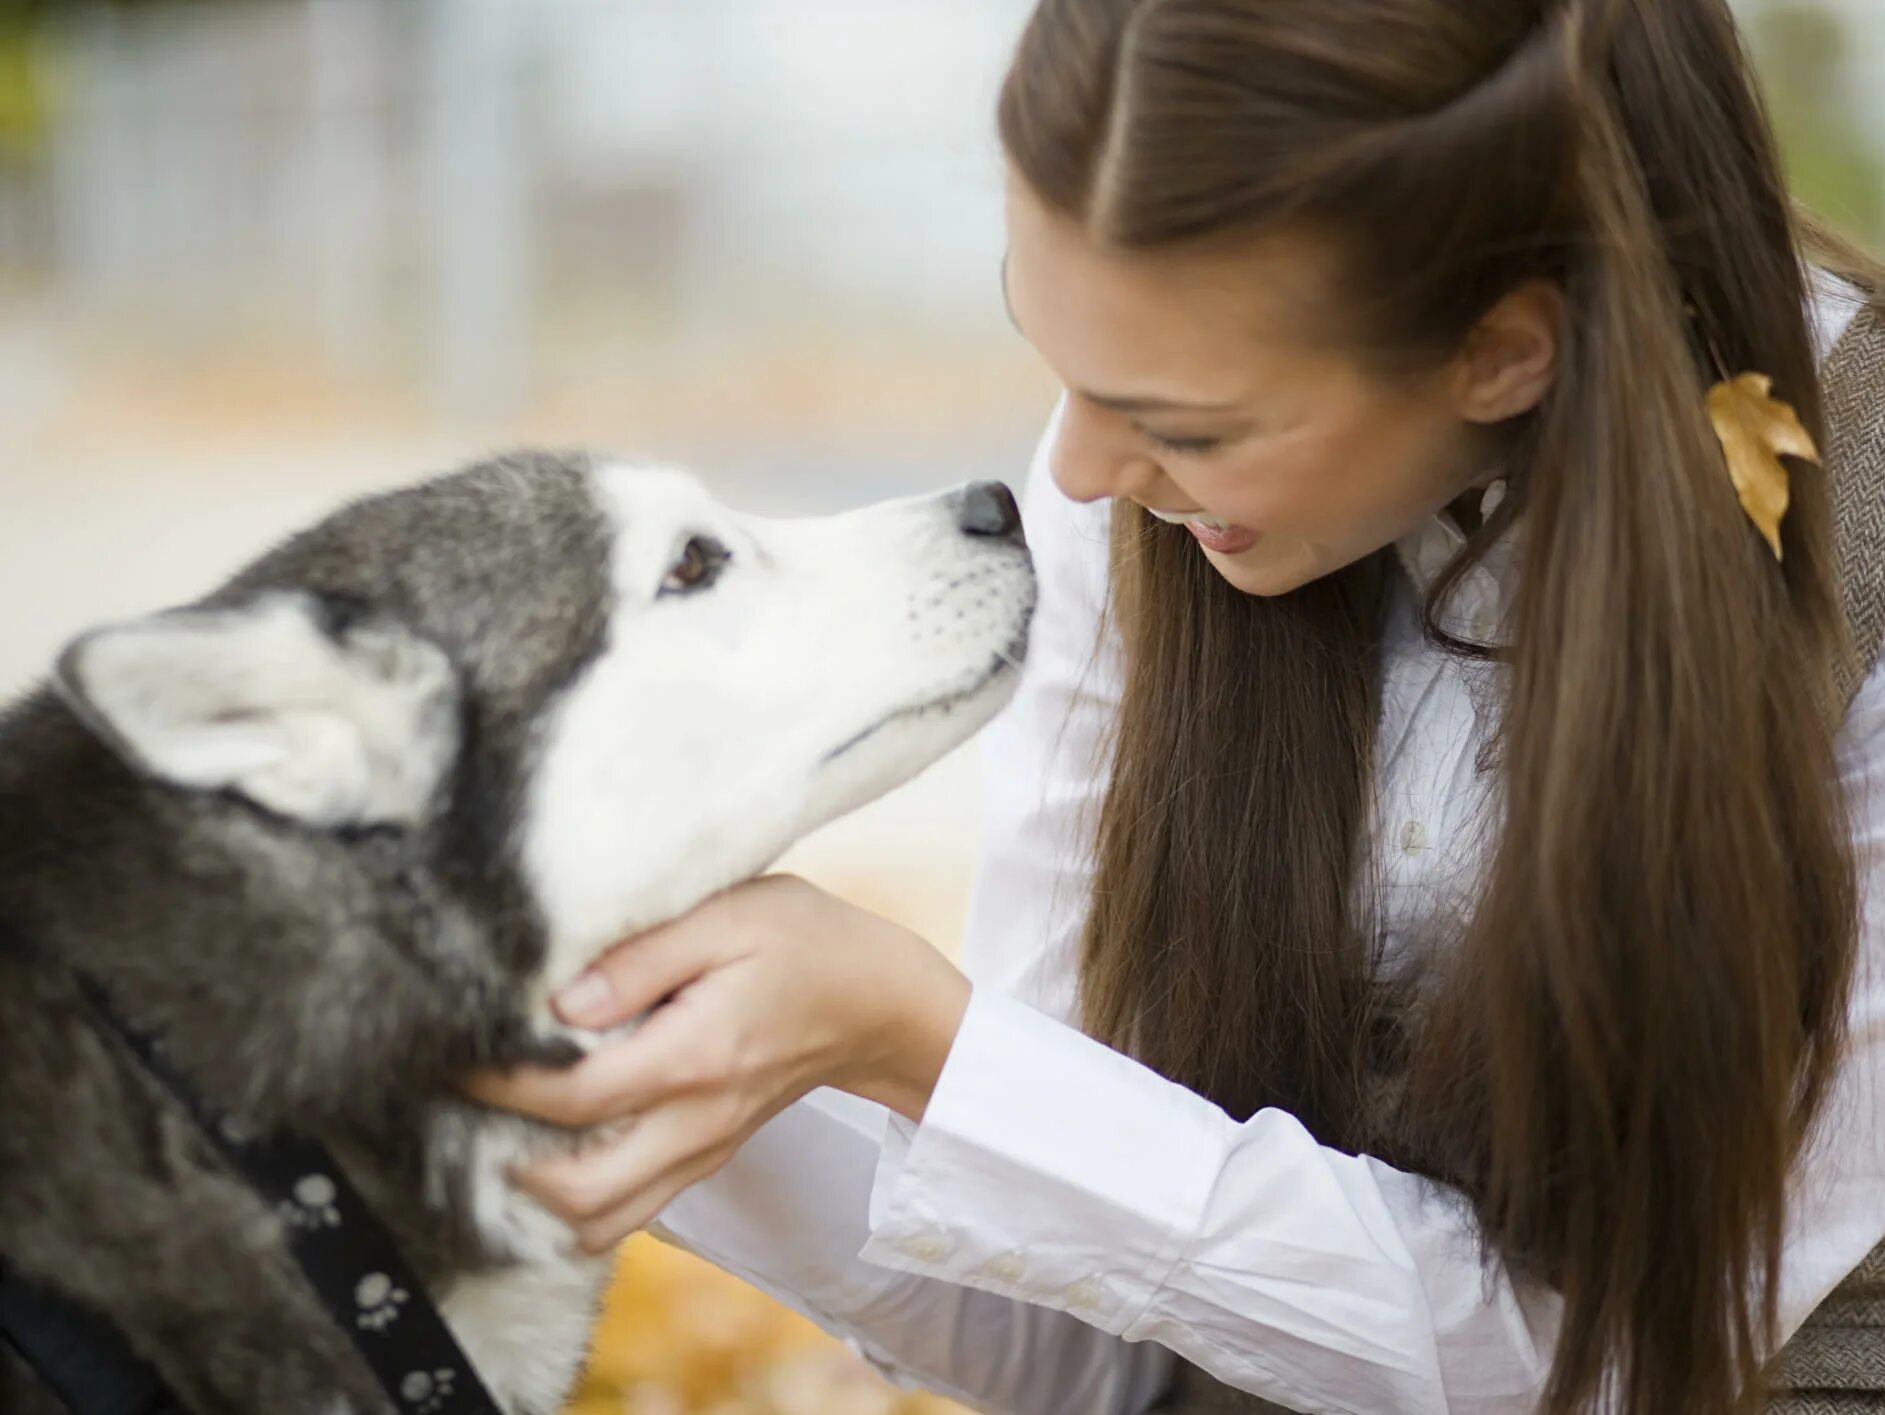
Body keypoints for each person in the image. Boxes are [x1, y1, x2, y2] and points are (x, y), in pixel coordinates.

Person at [468, 0, 1885, 1411]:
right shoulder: (1147, 498)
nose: (1077, 475)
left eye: (1190, 425)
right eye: (1058, 365)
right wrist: (662, 1072)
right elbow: (1088, 1337)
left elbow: (1594, 1362)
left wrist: (925, 1041)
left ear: (1505, 351)